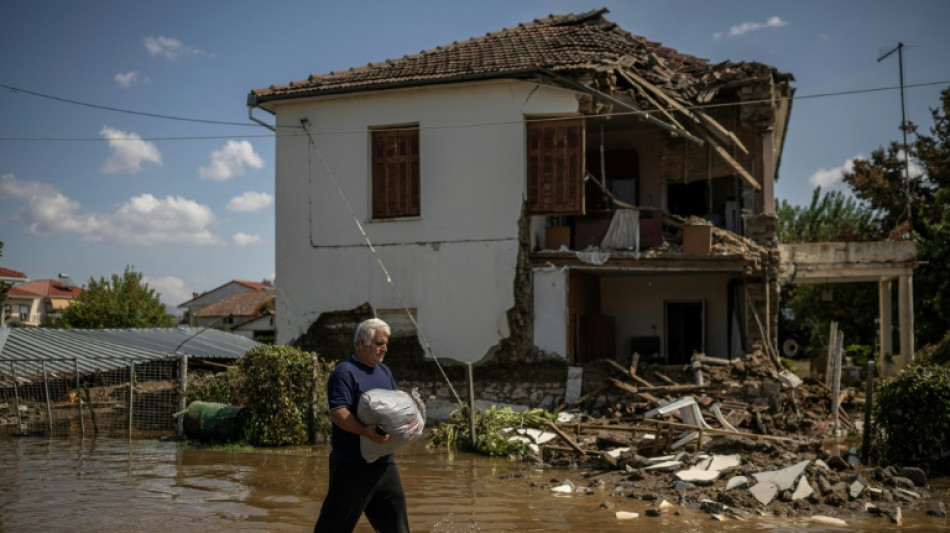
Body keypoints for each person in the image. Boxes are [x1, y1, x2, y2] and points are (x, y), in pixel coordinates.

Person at [314, 317, 410, 533]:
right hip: (352, 466)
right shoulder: (344, 372)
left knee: (397, 529)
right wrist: (365, 431)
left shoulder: (385, 372)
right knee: (333, 528)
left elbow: (396, 407)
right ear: (361, 344)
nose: (384, 348)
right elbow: (339, 413)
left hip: (385, 466)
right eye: (378, 343)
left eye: (386, 344)